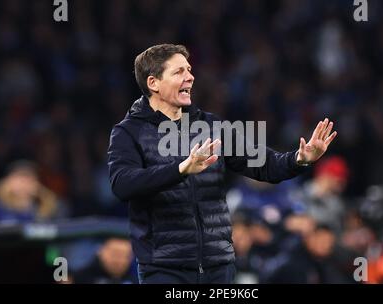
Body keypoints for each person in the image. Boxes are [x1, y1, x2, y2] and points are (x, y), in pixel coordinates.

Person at [107, 44, 337, 284]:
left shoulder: (213, 127)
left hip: (218, 267)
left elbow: (266, 165)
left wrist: (300, 159)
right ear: (153, 83)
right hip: (164, 269)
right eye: (179, 72)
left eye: (189, 69)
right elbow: (122, 184)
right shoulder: (128, 132)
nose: (190, 76)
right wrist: (180, 169)